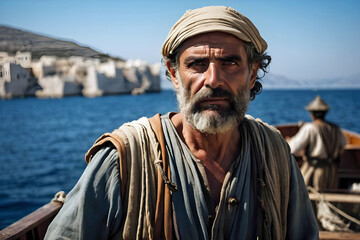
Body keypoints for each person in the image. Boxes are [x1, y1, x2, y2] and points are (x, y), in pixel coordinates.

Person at [45, 6, 319, 239]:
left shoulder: (274, 153)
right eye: (197, 64)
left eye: (230, 62)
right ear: (174, 74)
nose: (213, 80)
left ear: (252, 74)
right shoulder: (123, 159)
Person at [288, 95, 347, 191]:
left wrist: (288, 141)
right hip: (332, 172)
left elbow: (292, 148)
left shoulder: (309, 128)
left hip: (314, 171)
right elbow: (343, 144)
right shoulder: (336, 128)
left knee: (305, 194)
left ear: (312, 114)